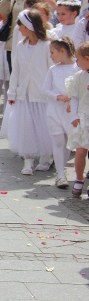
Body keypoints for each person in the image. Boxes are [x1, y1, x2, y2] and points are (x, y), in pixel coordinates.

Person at [3, 9, 54, 175]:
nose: (19, 28)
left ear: (30, 26)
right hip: (24, 93)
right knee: (27, 126)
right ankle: (28, 160)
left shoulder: (47, 45)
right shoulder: (21, 45)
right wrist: (12, 92)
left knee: (44, 125)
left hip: (42, 94)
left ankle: (46, 158)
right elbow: (16, 70)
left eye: (21, 24)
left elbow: (51, 69)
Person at [43, 37, 78, 188]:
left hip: (71, 111)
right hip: (55, 110)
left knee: (69, 143)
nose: (51, 56)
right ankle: (60, 174)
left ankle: (63, 170)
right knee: (58, 141)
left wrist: (72, 99)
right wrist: (58, 97)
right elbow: (45, 90)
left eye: (52, 52)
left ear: (62, 51)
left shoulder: (77, 68)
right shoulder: (53, 70)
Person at [0, 0, 40, 70]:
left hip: (33, 42)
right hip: (14, 43)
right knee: (14, 74)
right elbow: (2, 11)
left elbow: (41, 13)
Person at [67, 41, 89, 197]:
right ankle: (79, 177)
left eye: (78, 59)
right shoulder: (79, 77)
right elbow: (74, 97)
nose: (76, 62)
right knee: (80, 151)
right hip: (83, 118)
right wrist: (74, 115)